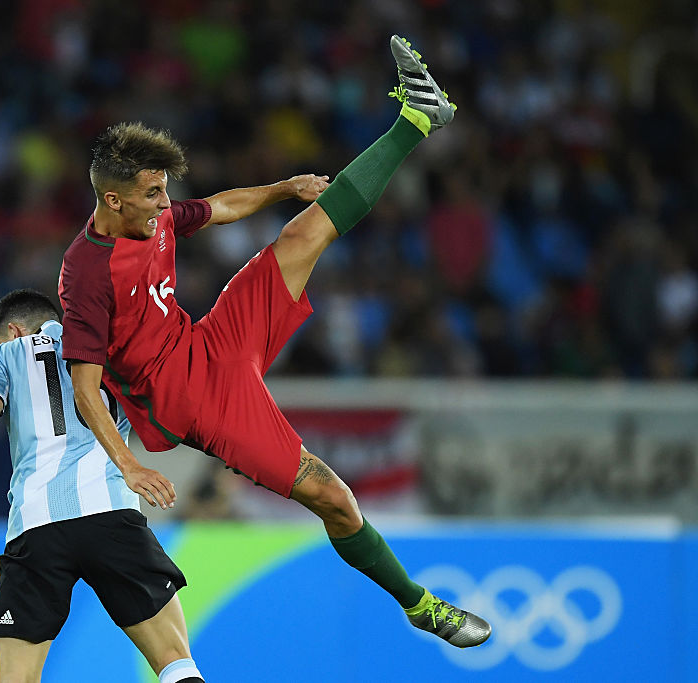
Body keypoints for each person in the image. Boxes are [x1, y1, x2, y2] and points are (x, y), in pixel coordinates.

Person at [59, 36, 491, 647]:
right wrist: (127, 464)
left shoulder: (149, 217)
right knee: (333, 496)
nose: (164, 204)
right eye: (153, 195)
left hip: (208, 339)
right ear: (112, 200)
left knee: (303, 233)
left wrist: (283, 188)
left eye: (163, 191)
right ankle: (420, 604)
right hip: (191, 398)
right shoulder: (86, 274)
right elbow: (84, 387)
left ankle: (417, 117)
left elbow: (216, 207)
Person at [0, 289, 205, 683]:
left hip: (36, 527)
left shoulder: (5, 354)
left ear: (15, 332)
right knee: (174, 659)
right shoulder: (106, 342)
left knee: (15, 677)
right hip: (110, 514)